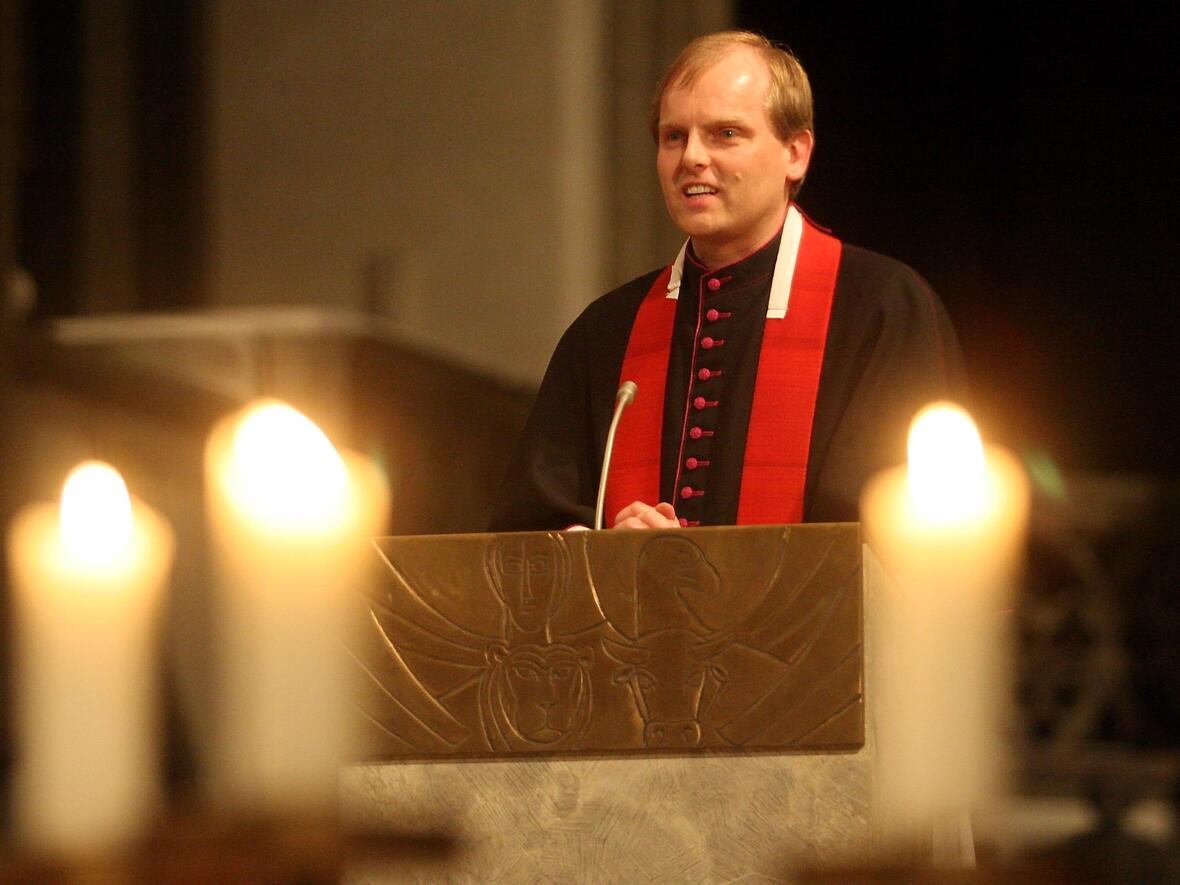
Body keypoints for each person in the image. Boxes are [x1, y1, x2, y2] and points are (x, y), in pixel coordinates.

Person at [490, 31, 966, 532]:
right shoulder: (605, 331)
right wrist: (607, 557)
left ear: (795, 153)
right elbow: (529, 537)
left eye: (726, 134)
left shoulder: (881, 308)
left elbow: (911, 528)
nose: (692, 157)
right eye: (674, 136)